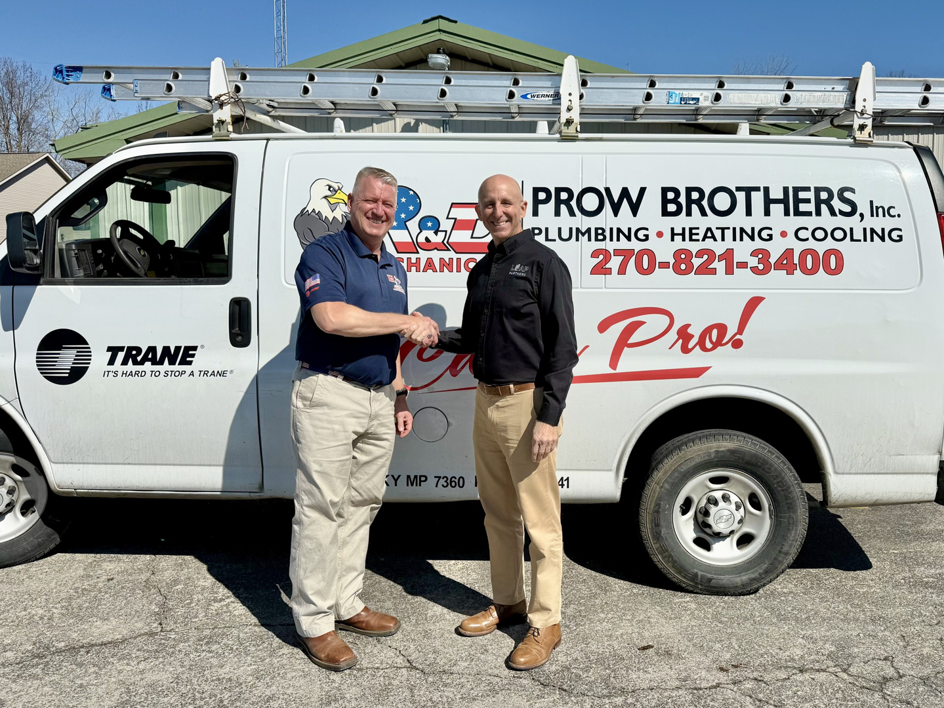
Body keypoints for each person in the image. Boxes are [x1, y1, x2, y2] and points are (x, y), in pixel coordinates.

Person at [289, 166, 440, 672]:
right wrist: (408, 320)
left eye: (388, 205)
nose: (380, 210)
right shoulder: (325, 253)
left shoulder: (394, 265)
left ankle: (347, 603)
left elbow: (388, 342)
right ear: (351, 202)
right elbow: (330, 317)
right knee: (321, 508)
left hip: (377, 399)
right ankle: (314, 622)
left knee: (361, 505)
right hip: (328, 394)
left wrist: (398, 394)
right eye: (371, 201)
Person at [429, 174, 578, 671]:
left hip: (524, 405)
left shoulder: (544, 264)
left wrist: (549, 416)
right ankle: (509, 601)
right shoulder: (482, 269)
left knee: (540, 522)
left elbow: (562, 349)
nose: (498, 211)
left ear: (523, 206)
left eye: (506, 202)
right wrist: (428, 334)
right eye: (489, 204)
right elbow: (471, 337)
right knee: (497, 515)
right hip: (485, 402)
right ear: (479, 210)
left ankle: (546, 621)